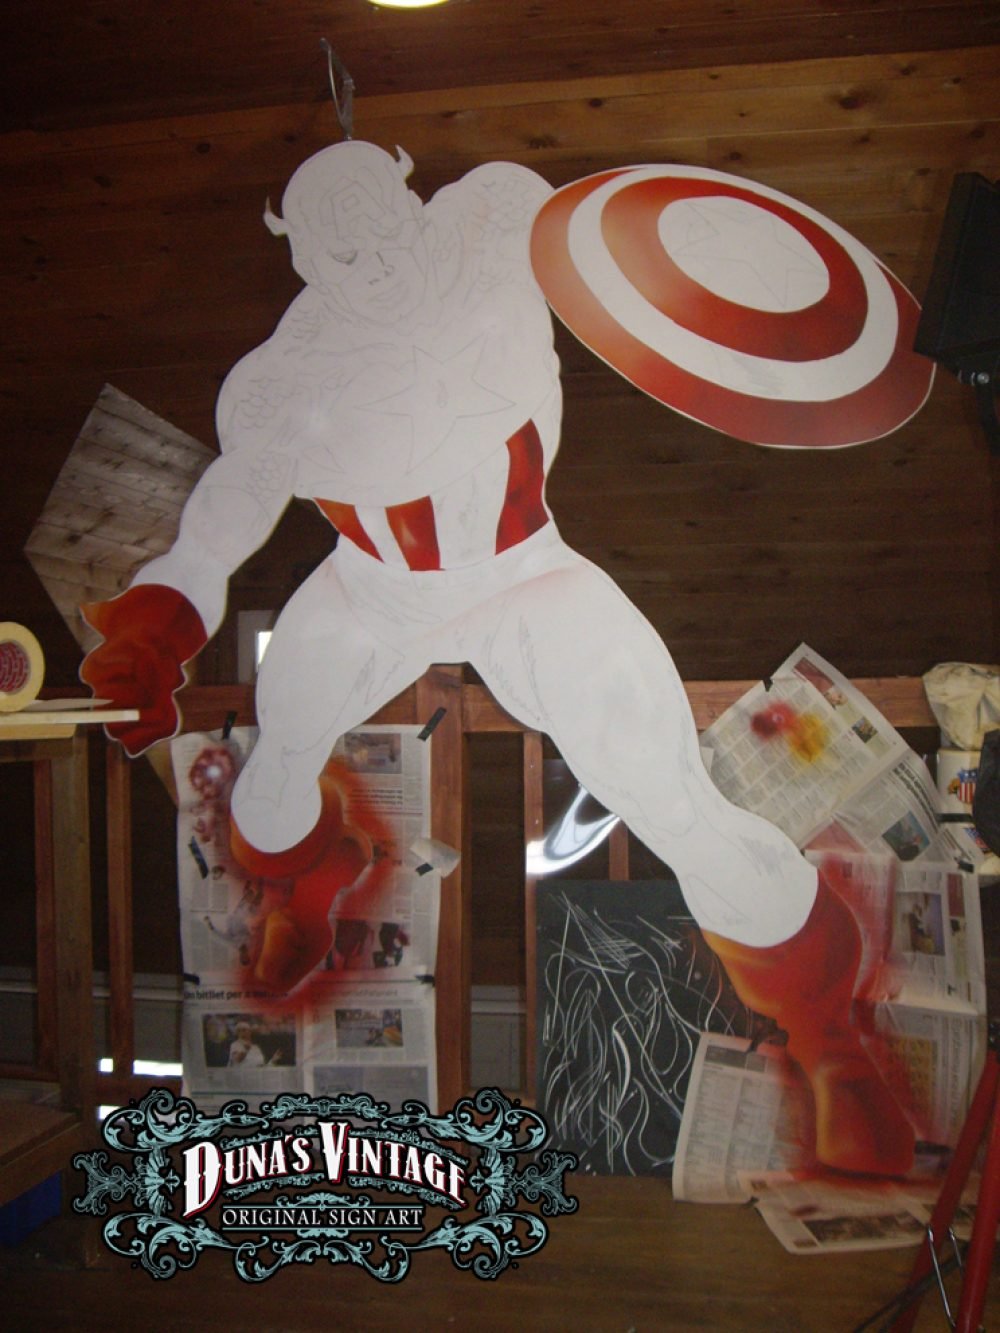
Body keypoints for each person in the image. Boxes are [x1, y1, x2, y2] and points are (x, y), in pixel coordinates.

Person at [80, 141, 913, 1175]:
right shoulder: (282, 384)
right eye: (342, 251)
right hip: (372, 588)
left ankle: (835, 1044)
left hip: (527, 572)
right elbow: (217, 525)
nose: (377, 261)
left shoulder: (494, 224)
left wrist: (772, 305)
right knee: (280, 754)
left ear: (411, 200)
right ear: (303, 262)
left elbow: (654, 249)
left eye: (382, 227)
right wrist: (157, 627)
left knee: (676, 802)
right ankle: (307, 887)